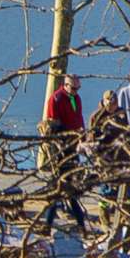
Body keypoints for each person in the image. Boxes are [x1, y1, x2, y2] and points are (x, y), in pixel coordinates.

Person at [37, 72, 89, 238]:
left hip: (74, 147)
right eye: (73, 88)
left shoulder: (77, 99)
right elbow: (53, 125)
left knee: (68, 187)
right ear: (65, 85)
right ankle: (74, 223)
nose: (76, 91)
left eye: (78, 88)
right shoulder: (56, 99)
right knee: (60, 187)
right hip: (61, 149)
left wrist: (83, 136)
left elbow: (78, 118)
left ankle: (60, 223)